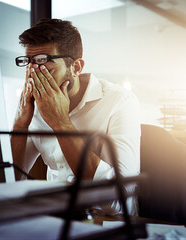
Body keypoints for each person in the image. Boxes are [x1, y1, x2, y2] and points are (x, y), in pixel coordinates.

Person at [11, 19, 141, 215]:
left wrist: (60, 122)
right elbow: (6, 182)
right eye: (29, 65)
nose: (34, 77)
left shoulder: (120, 102)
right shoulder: (32, 106)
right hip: (56, 218)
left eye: (45, 66)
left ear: (76, 67)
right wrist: (20, 124)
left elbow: (116, 200)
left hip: (109, 224)